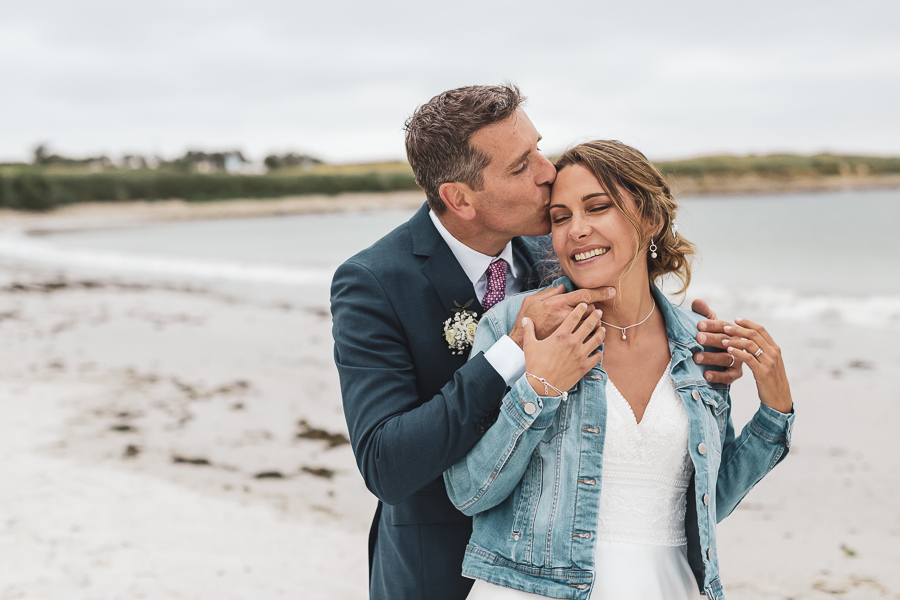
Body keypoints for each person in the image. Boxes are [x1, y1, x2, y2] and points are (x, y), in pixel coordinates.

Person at [330, 86, 742, 600]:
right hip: (436, 569)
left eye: (538, 148)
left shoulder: (560, 244)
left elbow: (633, 303)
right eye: (521, 165)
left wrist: (697, 347)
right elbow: (386, 464)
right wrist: (509, 353)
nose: (548, 172)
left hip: (575, 564)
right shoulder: (374, 282)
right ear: (460, 199)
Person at [443, 140, 795, 600]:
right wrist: (539, 390)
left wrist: (774, 412)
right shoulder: (520, 325)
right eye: (560, 217)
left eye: (597, 208)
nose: (577, 230)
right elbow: (469, 492)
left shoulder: (699, 345)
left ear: (650, 218)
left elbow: (708, 505)